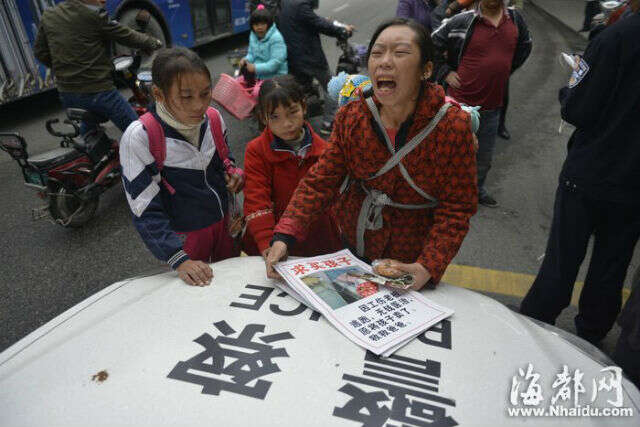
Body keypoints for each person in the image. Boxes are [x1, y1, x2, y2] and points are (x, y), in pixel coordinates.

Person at [265, 18, 478, 291]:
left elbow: (457, 207)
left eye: (400, 53)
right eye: (377, 53)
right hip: (354, 247)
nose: (384, 62)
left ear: (426, 70)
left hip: (412, 260)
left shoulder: (452, 127)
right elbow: (321, 180)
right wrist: (285, 234)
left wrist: (427, 266)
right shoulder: (352, 117)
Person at [520, 2, 640, 346]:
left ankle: (537, 322)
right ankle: (593, 332)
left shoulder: (614, 38)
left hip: (590, 173)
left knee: (563, 257)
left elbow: (578, 109)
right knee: (612, 264)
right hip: (633, 187)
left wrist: (568, 88)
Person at [120, 48, 245, 287]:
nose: (199, 105)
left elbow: (226, 160)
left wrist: (235, 174)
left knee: (234, 288)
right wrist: (179, 259)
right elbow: (144, 209)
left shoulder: (214, 118)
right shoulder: (141, 137)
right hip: (186, 243)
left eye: (205, 93)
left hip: (226, 229)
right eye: (186, 97)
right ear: (159, 94)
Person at [431, 0, 531, 207]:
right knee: (449, 153)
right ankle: (441, 194)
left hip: (492, 106)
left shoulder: (516, 20)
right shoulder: (461, 21)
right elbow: (429, 44)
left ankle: (475, 190)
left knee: (483, 157)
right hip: (458, 105)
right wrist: (444, 72)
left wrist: (505, 70)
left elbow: (525, 47)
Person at [242, 75, 341, 258]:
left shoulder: (325, 150)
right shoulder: (256, 151)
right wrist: (266, 244)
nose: (286, 124)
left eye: (292, 112)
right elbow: (256, 200)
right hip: (273, 239)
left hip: (319, 237)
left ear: (304, 107)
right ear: (263, 118)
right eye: (275, 117)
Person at [33, 0, 162, 134]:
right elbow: (125, 35)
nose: (104, 0)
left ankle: (91, 147)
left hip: (67, 94)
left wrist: (64, 68)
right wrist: (153, 42)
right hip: (98, 92)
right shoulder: (93, 15)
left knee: (89, 133)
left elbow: (40, 52)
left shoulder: (49, 15)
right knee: (139, 133)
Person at [278, 0, 354, 135]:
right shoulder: (301, 5)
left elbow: (311, 20)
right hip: (308, 57)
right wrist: (343, 30)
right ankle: (329, 123)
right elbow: (320, 25)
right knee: (330, 86)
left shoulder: (287, 3)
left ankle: (297, 123)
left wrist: (323, 21)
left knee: (298, 90)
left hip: (292, 56)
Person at [238, 5, 288, 82]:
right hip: (259, 76)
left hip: (276, 78)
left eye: (263, 24)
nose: (259, 27)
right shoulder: (253, 35)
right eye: (256, 24)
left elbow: (275, 63)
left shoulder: (276, 38)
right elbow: (252, 54)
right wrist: (246, 59)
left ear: (269, 24)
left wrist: (255, 68)